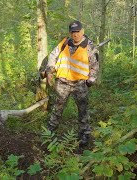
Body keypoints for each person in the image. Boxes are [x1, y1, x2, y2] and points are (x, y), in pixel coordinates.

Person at [44, 20, 99, 148]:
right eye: (73, 32)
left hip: (80, 84)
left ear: (83, 31)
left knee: (83, 110)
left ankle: (84, 135)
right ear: (70, 33)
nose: (76, 35)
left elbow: (95, 66)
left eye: (78, 32)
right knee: (57, 108)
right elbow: (53, 55)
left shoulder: (90, 46)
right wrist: (50, 69)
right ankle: (50, 132)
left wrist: (91, 80)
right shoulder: (64, 43)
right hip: (62, 82)